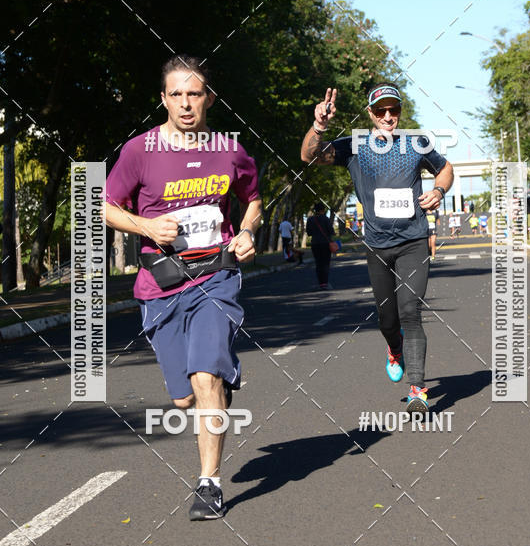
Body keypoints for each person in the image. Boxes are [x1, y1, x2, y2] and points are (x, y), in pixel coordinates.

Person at [104, 56, 262, 521]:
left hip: (216, 274)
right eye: (177, 94)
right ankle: (216, 378)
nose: (186, 103)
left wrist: (248, 232)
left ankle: (209, 485)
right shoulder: (139, 151)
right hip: (161, 283)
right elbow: (106, 206)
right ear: (164, 99)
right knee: (184, 397)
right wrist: (147, 226)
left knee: (205, 378)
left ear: (209, 98)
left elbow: (252, 199)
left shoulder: (229, 149)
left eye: (195, 94)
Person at [301, 84, 454, 413]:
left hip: (413, 241)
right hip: (378, 246)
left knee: (411, 311)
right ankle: (394, 348)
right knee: (388, 319)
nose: (388, 116)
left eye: (394, 110)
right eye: (381, 110)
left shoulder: (416, 143)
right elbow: (309, 156)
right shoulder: (355, 145)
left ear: (400, 112)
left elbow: (445, 167)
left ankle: (417, 389)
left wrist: (439, 191)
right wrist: (320, 126)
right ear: (370, 113)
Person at [306, 202, 335, 290]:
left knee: (318, 264)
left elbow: (309, 233)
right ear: (323, 210)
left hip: (315, 244)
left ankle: (321, 283)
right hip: (325, 244)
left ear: (315, 210)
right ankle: (325, 283)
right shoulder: (326, 219)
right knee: (325, 264)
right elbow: (331, 231)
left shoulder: (310, 219)